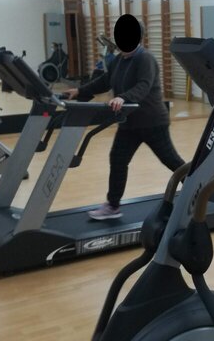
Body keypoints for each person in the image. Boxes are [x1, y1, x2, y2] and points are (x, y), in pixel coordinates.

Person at [66, 26, 185, 220]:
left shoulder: (145, 59)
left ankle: (199, 190)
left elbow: (144, 85)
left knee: (171, 160)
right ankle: (113, 206)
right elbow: (104, 81)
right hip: (129, 122)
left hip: (152, 122)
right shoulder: (119, 60)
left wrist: (123, 97)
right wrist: (80, 91)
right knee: (118, 160)